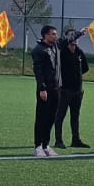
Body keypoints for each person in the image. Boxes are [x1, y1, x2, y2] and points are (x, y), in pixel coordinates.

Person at [54, 30, 91, 149]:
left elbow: (85, 68)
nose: (74, 39)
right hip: (64, 90)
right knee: (60, 115)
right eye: (72, 36)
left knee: (75, 116)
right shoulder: (61, 51)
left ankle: (76, 140)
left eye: (75, 36)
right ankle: (58, 140)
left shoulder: (79, 52)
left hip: (78, 91)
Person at [30, 26, 62, 158]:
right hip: (45, 90)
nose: (55, 36)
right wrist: (42, 88)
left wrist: (80, 33)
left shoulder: (56, 46)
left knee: (51, 118)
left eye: (56, 34)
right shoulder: (38, 50)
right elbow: (38, 71)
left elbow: (67, 39)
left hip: (56, 88)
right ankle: (38, 146)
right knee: (41, 118)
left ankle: (46, 145)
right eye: (53, 34)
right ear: (45, 35)